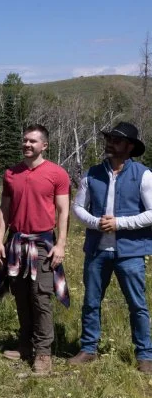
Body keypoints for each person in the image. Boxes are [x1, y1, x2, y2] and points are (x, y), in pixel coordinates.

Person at [70, 122, 152, 374]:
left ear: (129, 147)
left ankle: (145, 355)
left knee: (137, 304)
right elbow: (78, 208)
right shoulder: (91, 174)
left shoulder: (144, 175)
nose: (110, 143)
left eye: (116, 140)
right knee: (91, 302)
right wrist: (96, 223)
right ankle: (88, 348)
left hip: (131, 252)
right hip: (97, 250)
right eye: (109, 138)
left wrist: (120, 223)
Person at [0, 125, 70, 375]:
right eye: (25, 140)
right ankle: (25, 345)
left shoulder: (57, 174)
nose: (27, 144)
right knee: (21, 295)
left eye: (33, 141)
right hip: (16, 242)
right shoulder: (11, 173)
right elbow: (4, 209)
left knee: (41, 297)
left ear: (44, 146)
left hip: (42, 243)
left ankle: (44, 353)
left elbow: (63, 211)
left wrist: (60, 244)